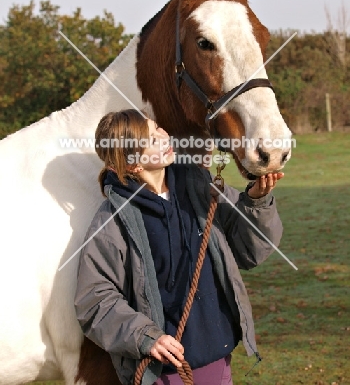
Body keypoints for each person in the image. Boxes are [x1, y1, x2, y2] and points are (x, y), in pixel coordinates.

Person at [74, 109, 284, 385]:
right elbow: (95, 300)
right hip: (164, 372)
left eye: (158, 127)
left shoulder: (200, 186)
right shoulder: (112, 222)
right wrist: (145, 337)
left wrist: (256, 201)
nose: (163, 136)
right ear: (131, 165)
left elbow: (251, 250)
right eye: (150, 138)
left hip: (218, 361)